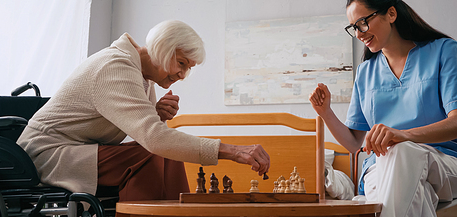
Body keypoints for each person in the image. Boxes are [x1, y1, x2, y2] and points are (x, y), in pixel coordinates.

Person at [17, 20, 270, 201]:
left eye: (188, 68)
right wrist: (233, 151)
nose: (183, 74)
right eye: (181, 63)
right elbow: (155, 140)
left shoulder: (142, 77)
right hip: (44, 156)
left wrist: (155, 115)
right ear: (162, 49)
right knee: (153, 154)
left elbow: (145, 133)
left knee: (166, 154)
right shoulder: (116, 66)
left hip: (76, 150)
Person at [310, 0, 457, 217]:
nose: (359, 33)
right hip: (381, 169)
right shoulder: (366, 72)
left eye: (363, 22)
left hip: (447, 164)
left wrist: (403, 136)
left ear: (391, 14)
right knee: (414, 188)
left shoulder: (442, 50)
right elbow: (355, 144)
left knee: (403, 152)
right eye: (353, 27)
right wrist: (325, 111)